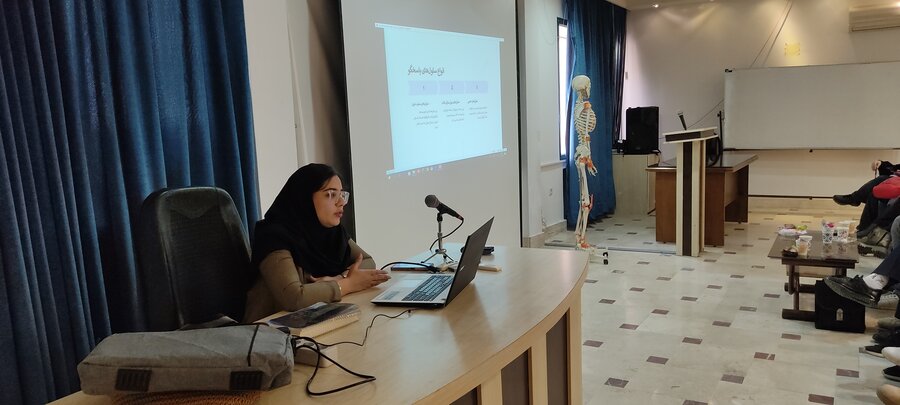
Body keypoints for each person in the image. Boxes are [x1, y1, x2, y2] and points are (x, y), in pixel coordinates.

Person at [242, 163, 390, 322]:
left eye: (342, 194)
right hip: (270, 330)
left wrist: (340, 277)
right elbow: (294, 297)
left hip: (313, 321)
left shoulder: (332, 232)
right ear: (304, 198)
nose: (341, 202)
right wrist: (347, 284)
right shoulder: (273, 236)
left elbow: (367, 261)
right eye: (330, 194)